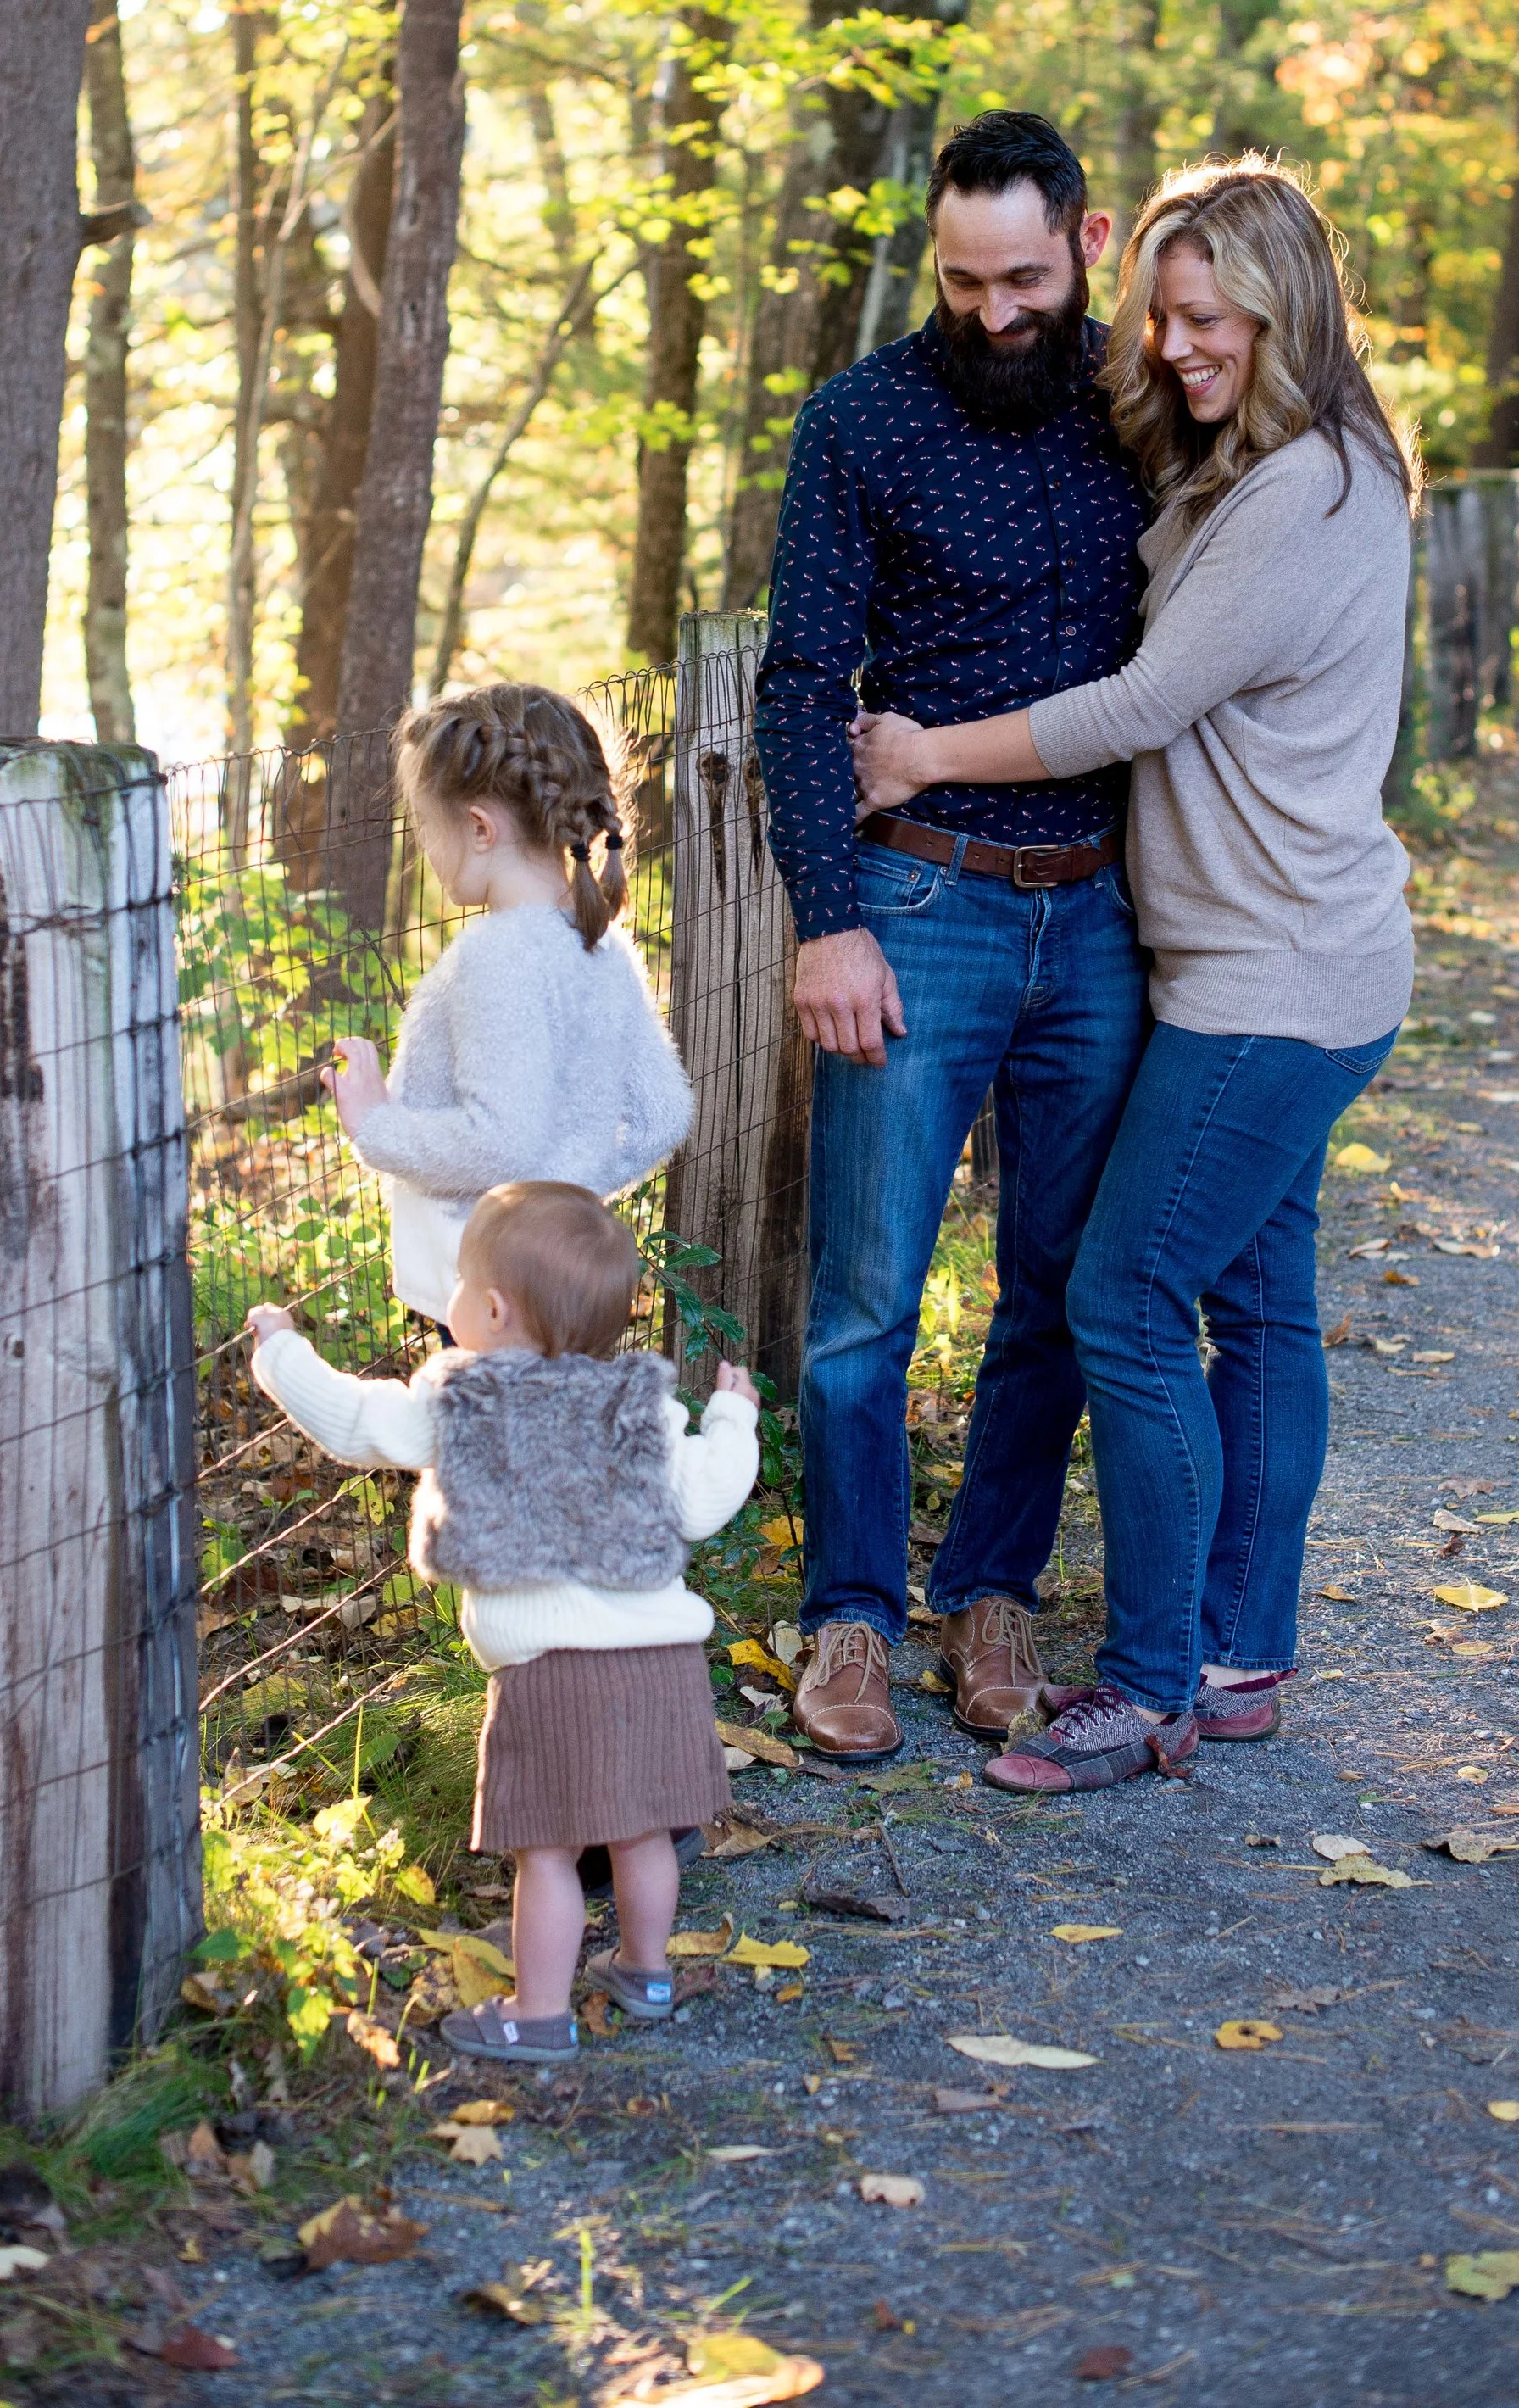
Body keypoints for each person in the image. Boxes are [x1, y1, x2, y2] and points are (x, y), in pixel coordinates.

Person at [851, 154, 1419, 1794]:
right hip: (1288, 955)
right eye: (1162, 315)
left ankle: (1152, 1684)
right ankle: (1241, 1655)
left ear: (1284, 308)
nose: (1174, 346)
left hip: (1272, 978)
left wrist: (918, 753)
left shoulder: (1304, 493)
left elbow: (1137, 706)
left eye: (1206, 317)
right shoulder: (1282, 467)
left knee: (1121, 1293)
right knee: (1257, 1303)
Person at [754, 111, 1150, 1762]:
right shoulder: (859, 422)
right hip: (917, 904)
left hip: (1109, 918)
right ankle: (846, 1612)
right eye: (961, 279)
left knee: (1054, 1289)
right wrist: (826, 926)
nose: (992, 310)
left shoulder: (1150, 409)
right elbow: (797, 686)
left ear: (1090, 242)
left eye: (1024, 277)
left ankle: (988, 1589)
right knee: (862, 1295)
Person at [248, 1181, 760, 2060]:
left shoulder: (464, 1402)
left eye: (455, 1286)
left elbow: (354, 1420)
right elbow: (709, 1494)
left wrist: (281, 1349)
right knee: (643, 1827)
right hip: (665, 1657)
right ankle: (646, 1971)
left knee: (549, 1853)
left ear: (488, 1309)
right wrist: (733, 1415)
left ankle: (538, 2012)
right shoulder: (635, 1407)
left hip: (548, 1669)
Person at [320, 683, 693, 1329]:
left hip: (480, 1285)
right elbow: (665, 1113)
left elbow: (502, 1142)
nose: (425, 851)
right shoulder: (598, 945)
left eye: (426, 827)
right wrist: (568, 1192)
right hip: (551, 1285)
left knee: (479, 1430)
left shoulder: (497, 956)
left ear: (479, 828)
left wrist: (376, 1129)